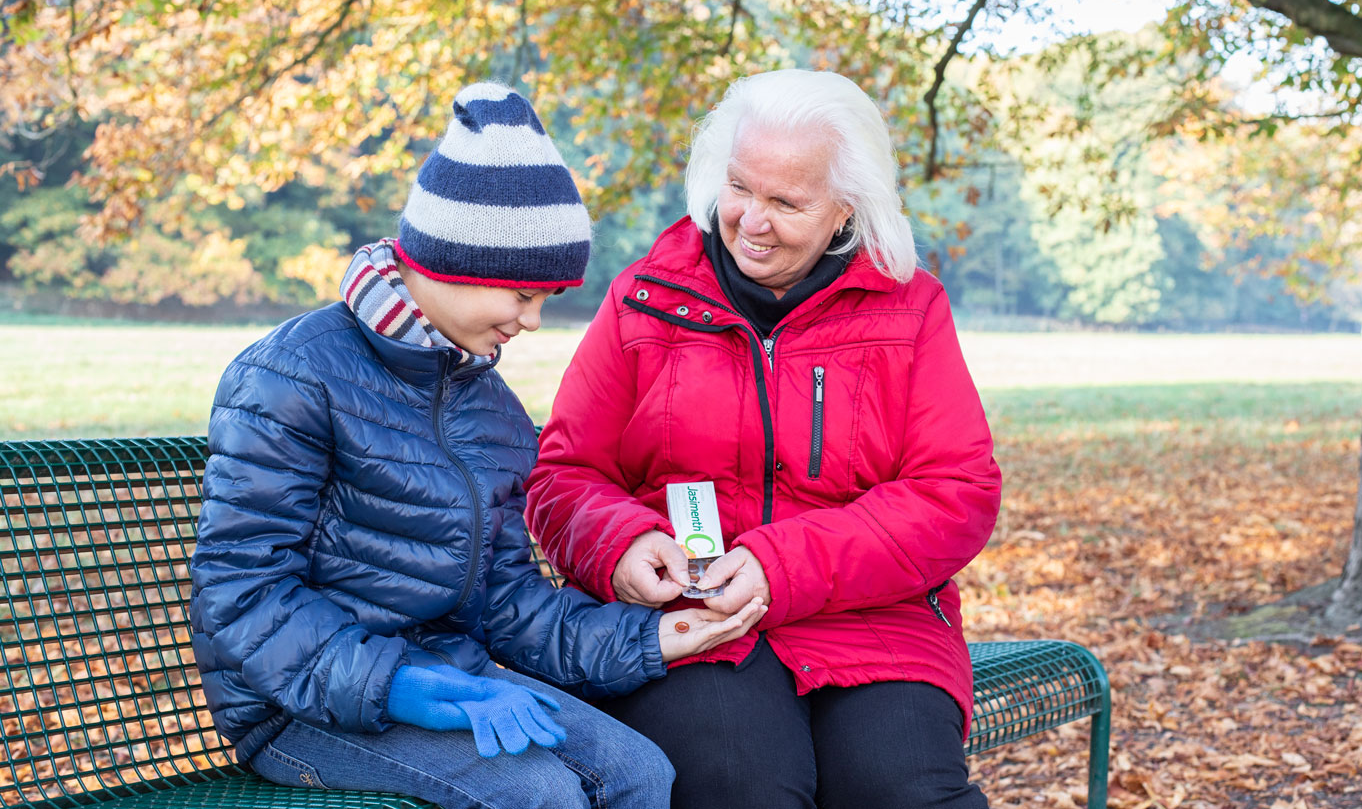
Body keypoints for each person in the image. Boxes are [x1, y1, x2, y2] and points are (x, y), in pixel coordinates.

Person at [189, 81, 765, 809]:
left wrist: (651, 640)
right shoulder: (294, 374)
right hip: (301, 704)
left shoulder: (490, 408)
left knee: (640, 772)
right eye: (521, 295)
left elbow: (505, 602)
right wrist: (403, 686)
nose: (531, 322)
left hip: (455, 675)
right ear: (453, 260)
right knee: (540, 796)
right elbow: (242, 591)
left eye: (545, 301)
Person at [525, 69, 1003, 809]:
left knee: (902, 789)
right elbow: (564, 476)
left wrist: (781, 568)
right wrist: (618, 546)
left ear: (847, 208)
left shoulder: (910, 308)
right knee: (741, 788)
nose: (751, 219)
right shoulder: (644, 299)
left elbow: (955, 496)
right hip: (691, 621)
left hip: (874, 617)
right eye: (741, 187)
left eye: (786, 202)